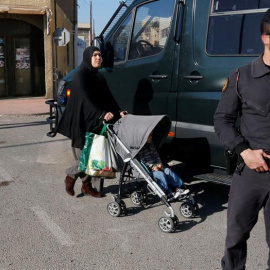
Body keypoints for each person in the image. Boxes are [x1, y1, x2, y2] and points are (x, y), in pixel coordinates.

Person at [214, 8, 270, 270]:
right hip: (250, 172)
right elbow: (222, 120)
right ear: (265, 37)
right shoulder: (241, 76)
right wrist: (244, 152)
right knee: (235, 239)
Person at [56, 46, 126, 198]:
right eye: (94, 55)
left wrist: (118, 111)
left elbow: (108, 97)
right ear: (88, 57)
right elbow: (86, 99)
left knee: (97, 156)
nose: (98, 57)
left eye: (99, 55)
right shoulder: (80, 75)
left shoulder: (99, 77)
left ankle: (87, 187)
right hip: (82, 122)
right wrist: (101, 113)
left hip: (97, 121)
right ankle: (71, 176)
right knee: (85, 156)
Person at [137, 132, 189, 200]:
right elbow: (143, 161)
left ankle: (178, 187)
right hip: (148, 169)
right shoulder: (140, 148)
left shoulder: (151, 144)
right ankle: (167, 192)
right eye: (149, 136)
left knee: (168, 171)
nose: (151, 137)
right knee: (160, 175)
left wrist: (159, 163)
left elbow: (156, 155)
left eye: (151, 135)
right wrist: (153, 167)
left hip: (156, 165)